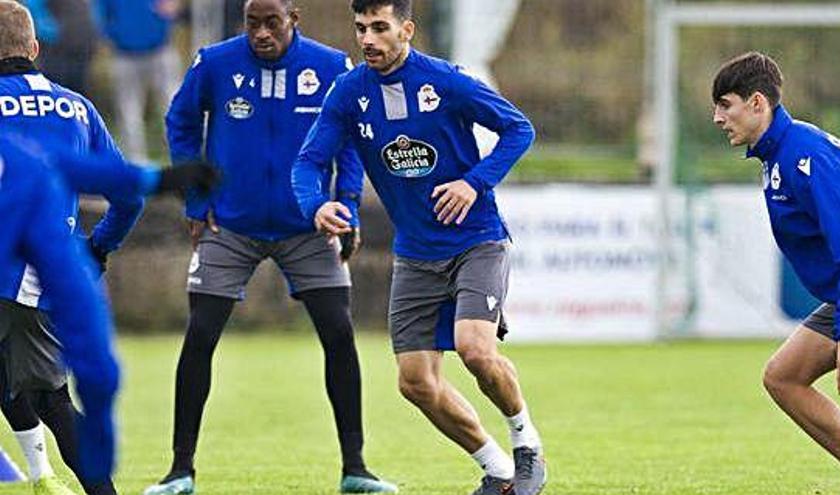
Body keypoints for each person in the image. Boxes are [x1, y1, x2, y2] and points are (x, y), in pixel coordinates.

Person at [292, 1, 546, 494]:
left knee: (475, 349)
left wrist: (475, 182)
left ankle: (526, 445)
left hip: (477, 240)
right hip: (414, 254)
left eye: (380, 28)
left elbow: (520, 129)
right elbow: (308, 162)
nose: (368, 38)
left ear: (406, 30)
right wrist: (315, 206)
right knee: (415, 384)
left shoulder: (445, 81)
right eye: (361, 28)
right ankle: (497, 471)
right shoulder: (348, 93)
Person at [142, 1, 397, 494]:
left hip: (308, 226)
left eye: (271, 22)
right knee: (199, 336)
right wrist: (196, 200)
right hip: (230, 226)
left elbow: (349, 142)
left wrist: (343, 205)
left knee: (339, 334)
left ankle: (356, 469)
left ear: (293, 19)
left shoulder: (329, 67)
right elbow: (180, 121)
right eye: (252, 23)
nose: (261, 33)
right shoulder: (214, 63)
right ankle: (180, 471)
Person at [0, 132, 218, 495]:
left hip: (24, 279)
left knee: (41, 391)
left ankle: (50, 476)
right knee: (53, 397)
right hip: (31, 284)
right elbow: (101, 176)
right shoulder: (63, 118)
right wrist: (161, 180)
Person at [712, 51, 840, 495]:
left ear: (757, 104)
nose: (717, 117)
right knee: (784, 377)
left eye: (725, 104)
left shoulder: (803, 154)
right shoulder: (778, 155)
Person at [92, 0, 181, 161]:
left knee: (173, 106)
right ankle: (137, 165)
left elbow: (172, 6)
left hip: (160, 49)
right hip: (125, 53)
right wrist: (115, 34)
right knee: (129, 113)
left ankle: (182, 157)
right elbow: (100, 16)